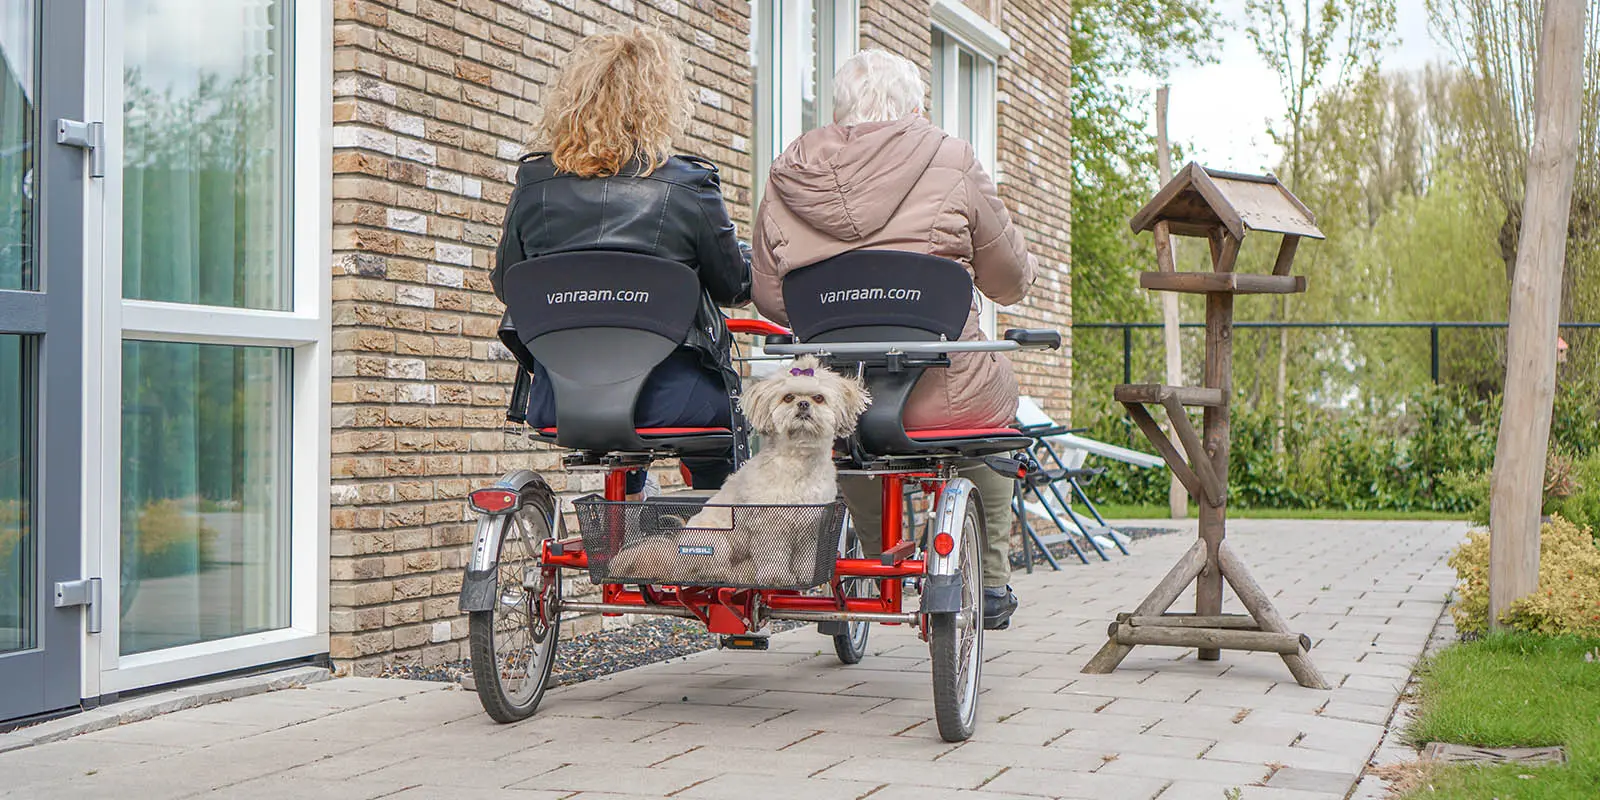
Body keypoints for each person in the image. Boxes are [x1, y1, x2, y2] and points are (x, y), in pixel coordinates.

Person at [750, 49, 1038, 630]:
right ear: (912, 107)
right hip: (940, 390)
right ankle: (994, 579)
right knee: (993, 412)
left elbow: (775, 301)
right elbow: (1008, 281)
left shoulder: (788, 175)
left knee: (844, 430)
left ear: (837, 111)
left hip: (844, 391)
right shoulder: (952, 159)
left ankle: (857, 555)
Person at [490, 27, 750, 497]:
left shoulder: (533, 184)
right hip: (672, 400)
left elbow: (509, 283)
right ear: (661, 101)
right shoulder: (689, 185)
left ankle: (622, 522)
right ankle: (717, 538)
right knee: (727, 438)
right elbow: (732, 285)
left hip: (562, 400)